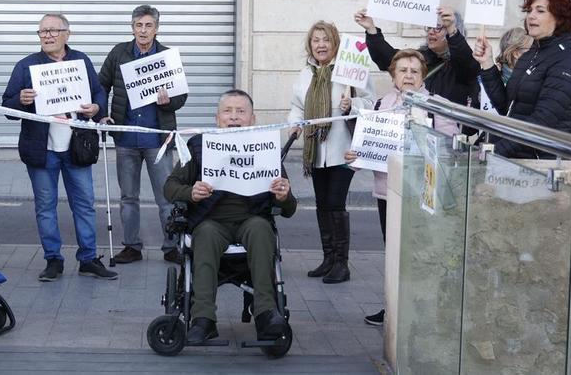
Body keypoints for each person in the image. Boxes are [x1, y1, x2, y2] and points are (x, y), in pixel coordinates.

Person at [163, 89, 295, 344]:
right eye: (228, 111)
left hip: (251, 219)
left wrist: (283, 196)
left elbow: (290, 208)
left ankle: (266, 313)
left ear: (252, 118)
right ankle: (203, 319)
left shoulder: (264, 148)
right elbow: (169, 187)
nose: (234, 117)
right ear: (217, 118)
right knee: (206, 233)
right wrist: (191, 192)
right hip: (212, 222)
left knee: (260, 229)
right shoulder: (199, 145)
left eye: (241, 111)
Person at [345, 49, 459, 326]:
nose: (408, 75)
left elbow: (450, 145)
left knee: (422, 251)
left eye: (414, 71)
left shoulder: (436, 104)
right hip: (388, 191)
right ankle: (393, 310)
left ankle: (423, 307)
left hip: (423, 192)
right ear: (393, 75)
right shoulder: (382, 103)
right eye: (403, 70)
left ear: (423, 76)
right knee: (394, 252)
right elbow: (369, 145)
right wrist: (355, 157)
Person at [2, 13, 117, 282]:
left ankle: (88, 258)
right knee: (45, 206)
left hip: (77, 147)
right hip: (42, 150)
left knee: (85, 205)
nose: (47, 36)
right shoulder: (26, 66)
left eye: (53, 30)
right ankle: (53, 259)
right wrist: (21, 100)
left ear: (67, 34)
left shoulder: (81, 61)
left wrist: (98, 107)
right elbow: (7, 107)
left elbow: (98, 91)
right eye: (42, 32)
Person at [98, 5, 188, 266]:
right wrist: (102, 114)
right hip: (126, 137)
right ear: (132, 27)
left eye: (148, 25)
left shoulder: (168, 56)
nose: (143, 30)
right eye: (139, 25)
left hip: (158, 140)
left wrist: (167, 100)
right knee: (128, 197)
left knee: (167, 196)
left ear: (156, 28)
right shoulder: (119, 53)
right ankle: (131, 246)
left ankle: (172, 246)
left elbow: (181, 97)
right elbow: (100, 85)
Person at [286, 20, 372, 284]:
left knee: (336, 203)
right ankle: (328, 258)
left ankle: (342, 264)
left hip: (342, 149)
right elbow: (297, 106)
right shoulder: (306, 73)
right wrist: (294, 126)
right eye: (315, 40)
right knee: (323, 204)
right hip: (317, 150)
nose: (320, 44)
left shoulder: (351, 72)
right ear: (310, 45)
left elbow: (370, 103)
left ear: (335, 44)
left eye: (326, 39)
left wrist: (352, 103)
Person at [475, 0, 571, 159]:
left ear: (558, 18)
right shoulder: (530, 55)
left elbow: (541, 122)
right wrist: (487, 63)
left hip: (542, 163)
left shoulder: (568, 61)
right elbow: (506, 106)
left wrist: (496, 151)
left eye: (540, 11)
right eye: (529, 11)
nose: (531, 16)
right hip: (515, 156)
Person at [354, 6, 480, 108]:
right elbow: (389, 58)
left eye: (438, 28)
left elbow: (467, 63)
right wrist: (371, 29)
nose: (431, 31)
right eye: (429, 27)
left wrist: (452, 30)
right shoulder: (420, 57)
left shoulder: (462, 64)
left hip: (446, 129)